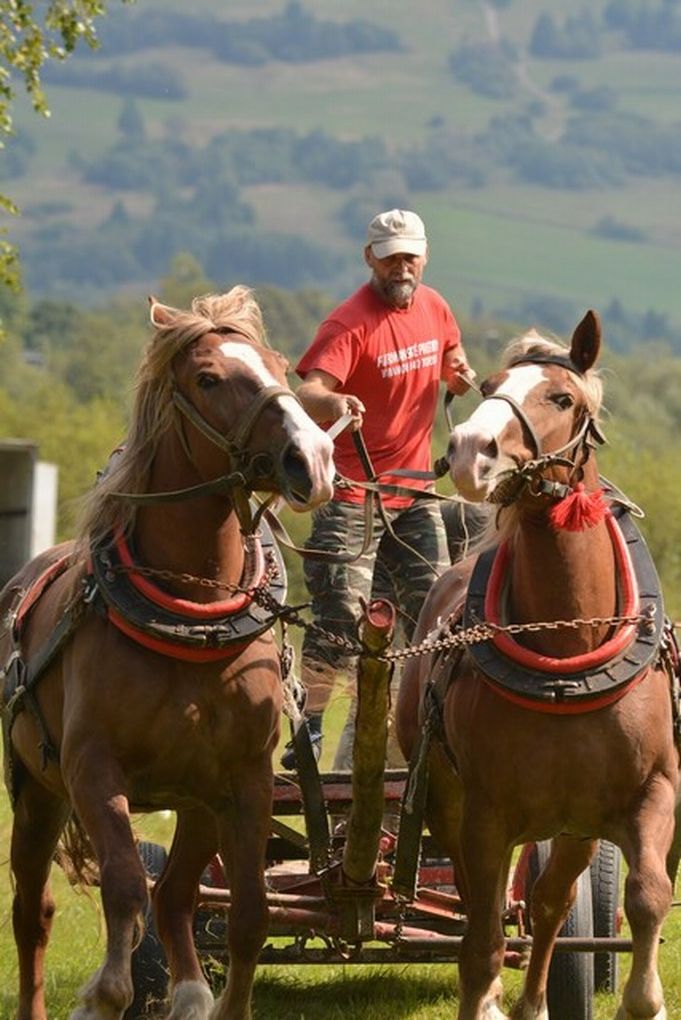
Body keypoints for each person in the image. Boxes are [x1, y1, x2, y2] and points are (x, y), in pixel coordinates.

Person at [281, 208, 475, 771]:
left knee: (439, 609)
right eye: (390, 257)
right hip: (351, 495)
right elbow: (307, 391)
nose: (401, 266)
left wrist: (458, 374)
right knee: (341, 614)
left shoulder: (436, 308)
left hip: (413, 495)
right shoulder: (350, 323)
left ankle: (434, 723)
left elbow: (451, 357)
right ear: (370, 258)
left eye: (409, 256)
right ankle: (309, 727)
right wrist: (334, 401)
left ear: (424, 255)